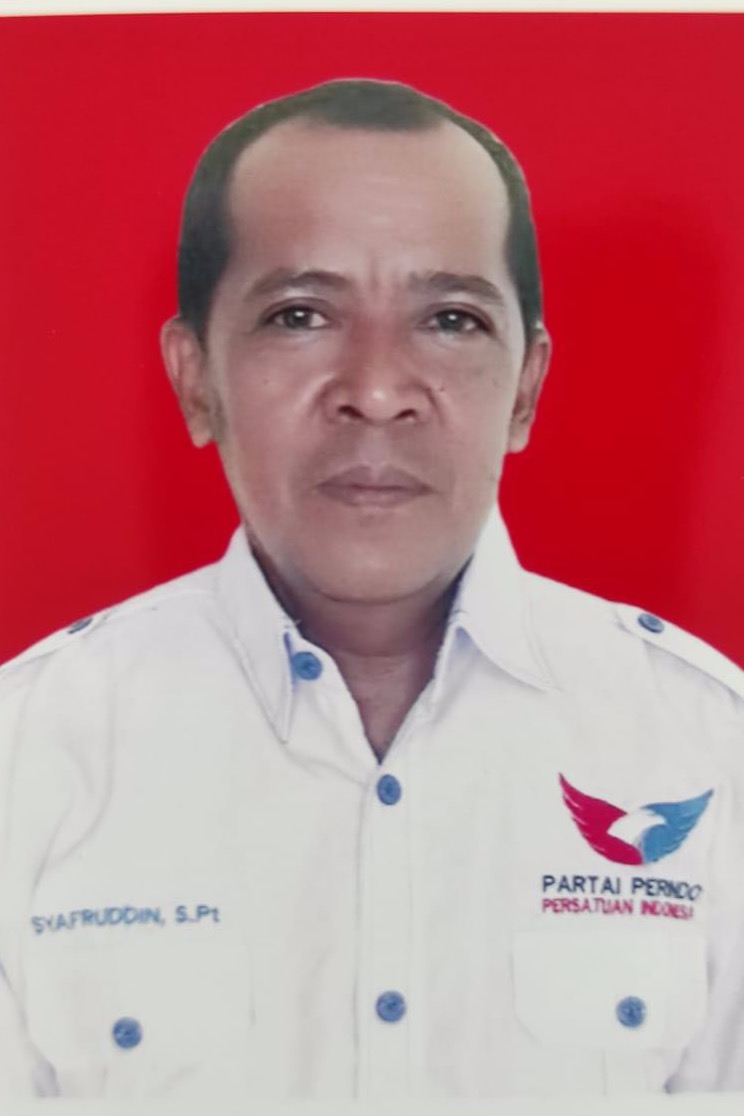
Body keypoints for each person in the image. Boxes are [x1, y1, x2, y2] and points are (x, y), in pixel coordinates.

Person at [0, 78, 742, 1100]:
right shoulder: (30, 757)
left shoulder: (707, 745)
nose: (378, 390)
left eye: (451, 319)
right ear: (195, 379)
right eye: (300, 315)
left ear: (526, 389)